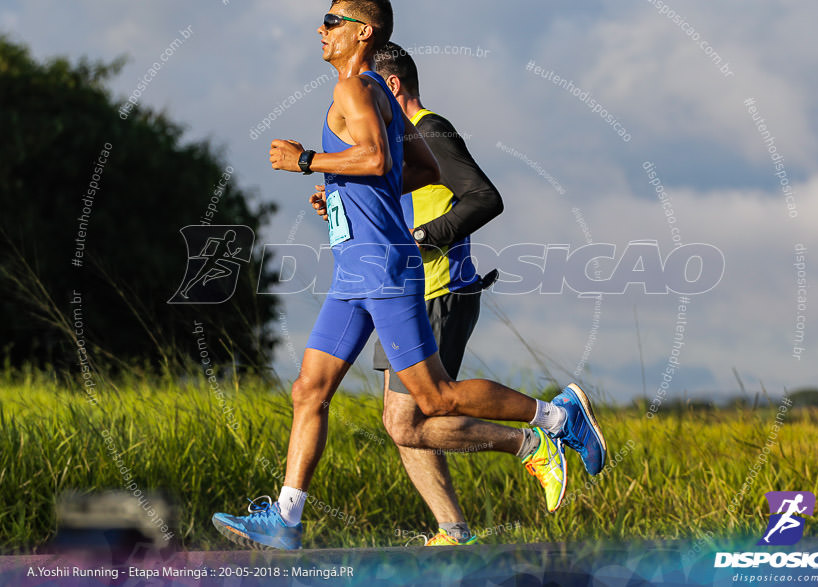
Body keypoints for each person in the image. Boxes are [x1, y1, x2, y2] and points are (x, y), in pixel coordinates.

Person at [212, 0, 607, 551]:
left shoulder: (355, 90)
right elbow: (415, 170)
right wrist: (349, 196)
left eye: (331, 22)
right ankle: (287, 517)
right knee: (309, 390)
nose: (320, 31)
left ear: (362, 32)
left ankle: (556, 418)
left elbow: (374, 159)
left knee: (437, 399)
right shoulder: (378, 96)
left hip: (385, 269)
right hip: (355, 271)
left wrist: (307, 161)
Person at [363, 41, 566, 546]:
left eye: (366, 88)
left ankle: (535, 436)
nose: (356, 100)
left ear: (391, 86)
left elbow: (484, 196)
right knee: (400, 420)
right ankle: (453, 530)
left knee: (410, 418)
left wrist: (424, 237)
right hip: (402, 294)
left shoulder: (430, 130)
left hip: (439, 289)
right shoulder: (393, 145)